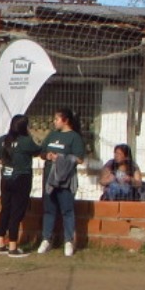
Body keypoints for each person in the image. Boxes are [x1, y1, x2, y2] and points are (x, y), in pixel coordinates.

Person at [35, 109, 86, 257]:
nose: (54, 122)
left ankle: (68, 240)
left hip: (65, 179)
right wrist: (48, 156)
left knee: (67, 210)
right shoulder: (52, 135)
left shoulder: (74, 137)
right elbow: (42, 152)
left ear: (66, 120)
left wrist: (63, 158)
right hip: (50, 178)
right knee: (49, 209)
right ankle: (46, 239)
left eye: (57, 119)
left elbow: (79, 159)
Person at [0, 114, 38, 257]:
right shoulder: (26, 141)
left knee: (5, 209)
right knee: (16, 212)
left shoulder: (3, 139)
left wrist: (6, 162)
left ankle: (0, 243)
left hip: (6, 178)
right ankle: (13, 246)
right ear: (24, 127)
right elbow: (37, 151)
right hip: (21, 178)